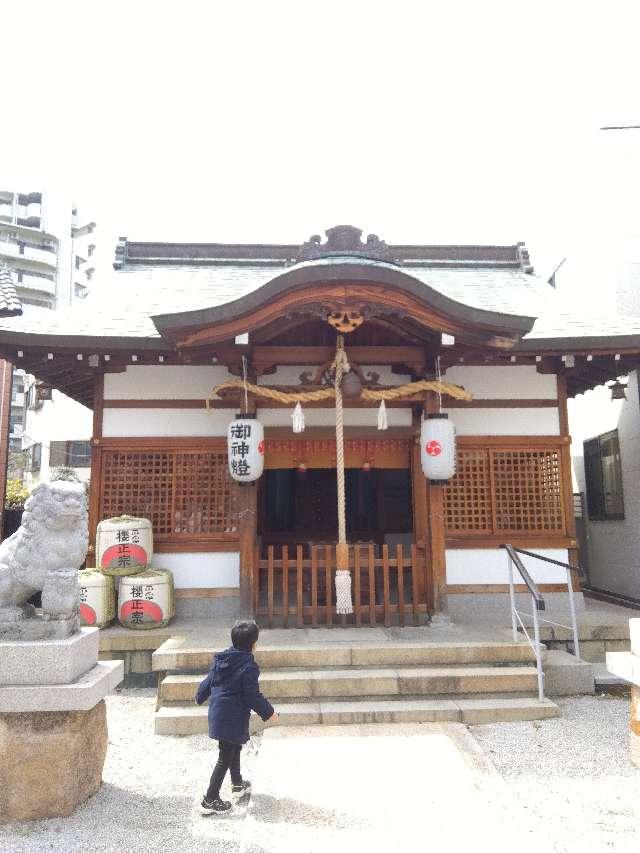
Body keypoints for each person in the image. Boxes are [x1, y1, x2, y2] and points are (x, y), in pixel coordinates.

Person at [196, 618, 278, 815]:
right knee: (225, 756)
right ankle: (209, 799)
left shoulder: (223, 659)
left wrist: (200, 696)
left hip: (220, 713)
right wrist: (269, 713)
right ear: (253, 644)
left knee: (233, 748)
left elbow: (209, 681)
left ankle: (237, 784)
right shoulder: (248, 666)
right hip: (232, 716)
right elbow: (252, 696)